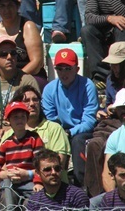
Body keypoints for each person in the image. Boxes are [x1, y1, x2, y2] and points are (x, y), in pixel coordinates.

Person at [42, 48, 98, 185]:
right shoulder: (49, 89)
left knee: (77, 141)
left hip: (81, 131)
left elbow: (89, 120)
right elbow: (50, 118)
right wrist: (61, 132)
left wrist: (70, 132)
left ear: (77, 69)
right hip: (59, 130)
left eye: (68, 68)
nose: (63, 73)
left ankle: (81, 184)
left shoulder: (88, 86)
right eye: (59, 69)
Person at [0, 36, 39, 132]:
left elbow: (34, 116)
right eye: (3, 54)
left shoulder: (27, 81)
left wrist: (11, 129)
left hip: (21, 130)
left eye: (13, 53)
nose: (9, 57)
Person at [25, 148, 89, 210]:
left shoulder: (77, 196)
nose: (54, 172)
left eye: (57, 168)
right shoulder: (34, 202)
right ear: (37, 173)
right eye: (47, 169)